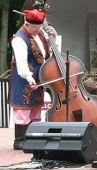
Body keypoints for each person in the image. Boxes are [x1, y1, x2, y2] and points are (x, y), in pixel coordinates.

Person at [8, 8, 60, 150]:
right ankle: (19, 141)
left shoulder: (40, 34)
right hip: (24, 77)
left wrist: (53, 37)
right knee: (22, 109)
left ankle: (30, 138)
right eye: (35, 27)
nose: (38, 30)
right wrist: (30, 79)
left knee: (35, 109)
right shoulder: (19, 39)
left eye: (40, 27)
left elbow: (45, 52)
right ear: (27, 24)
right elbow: (21, 62)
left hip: (38, 77)